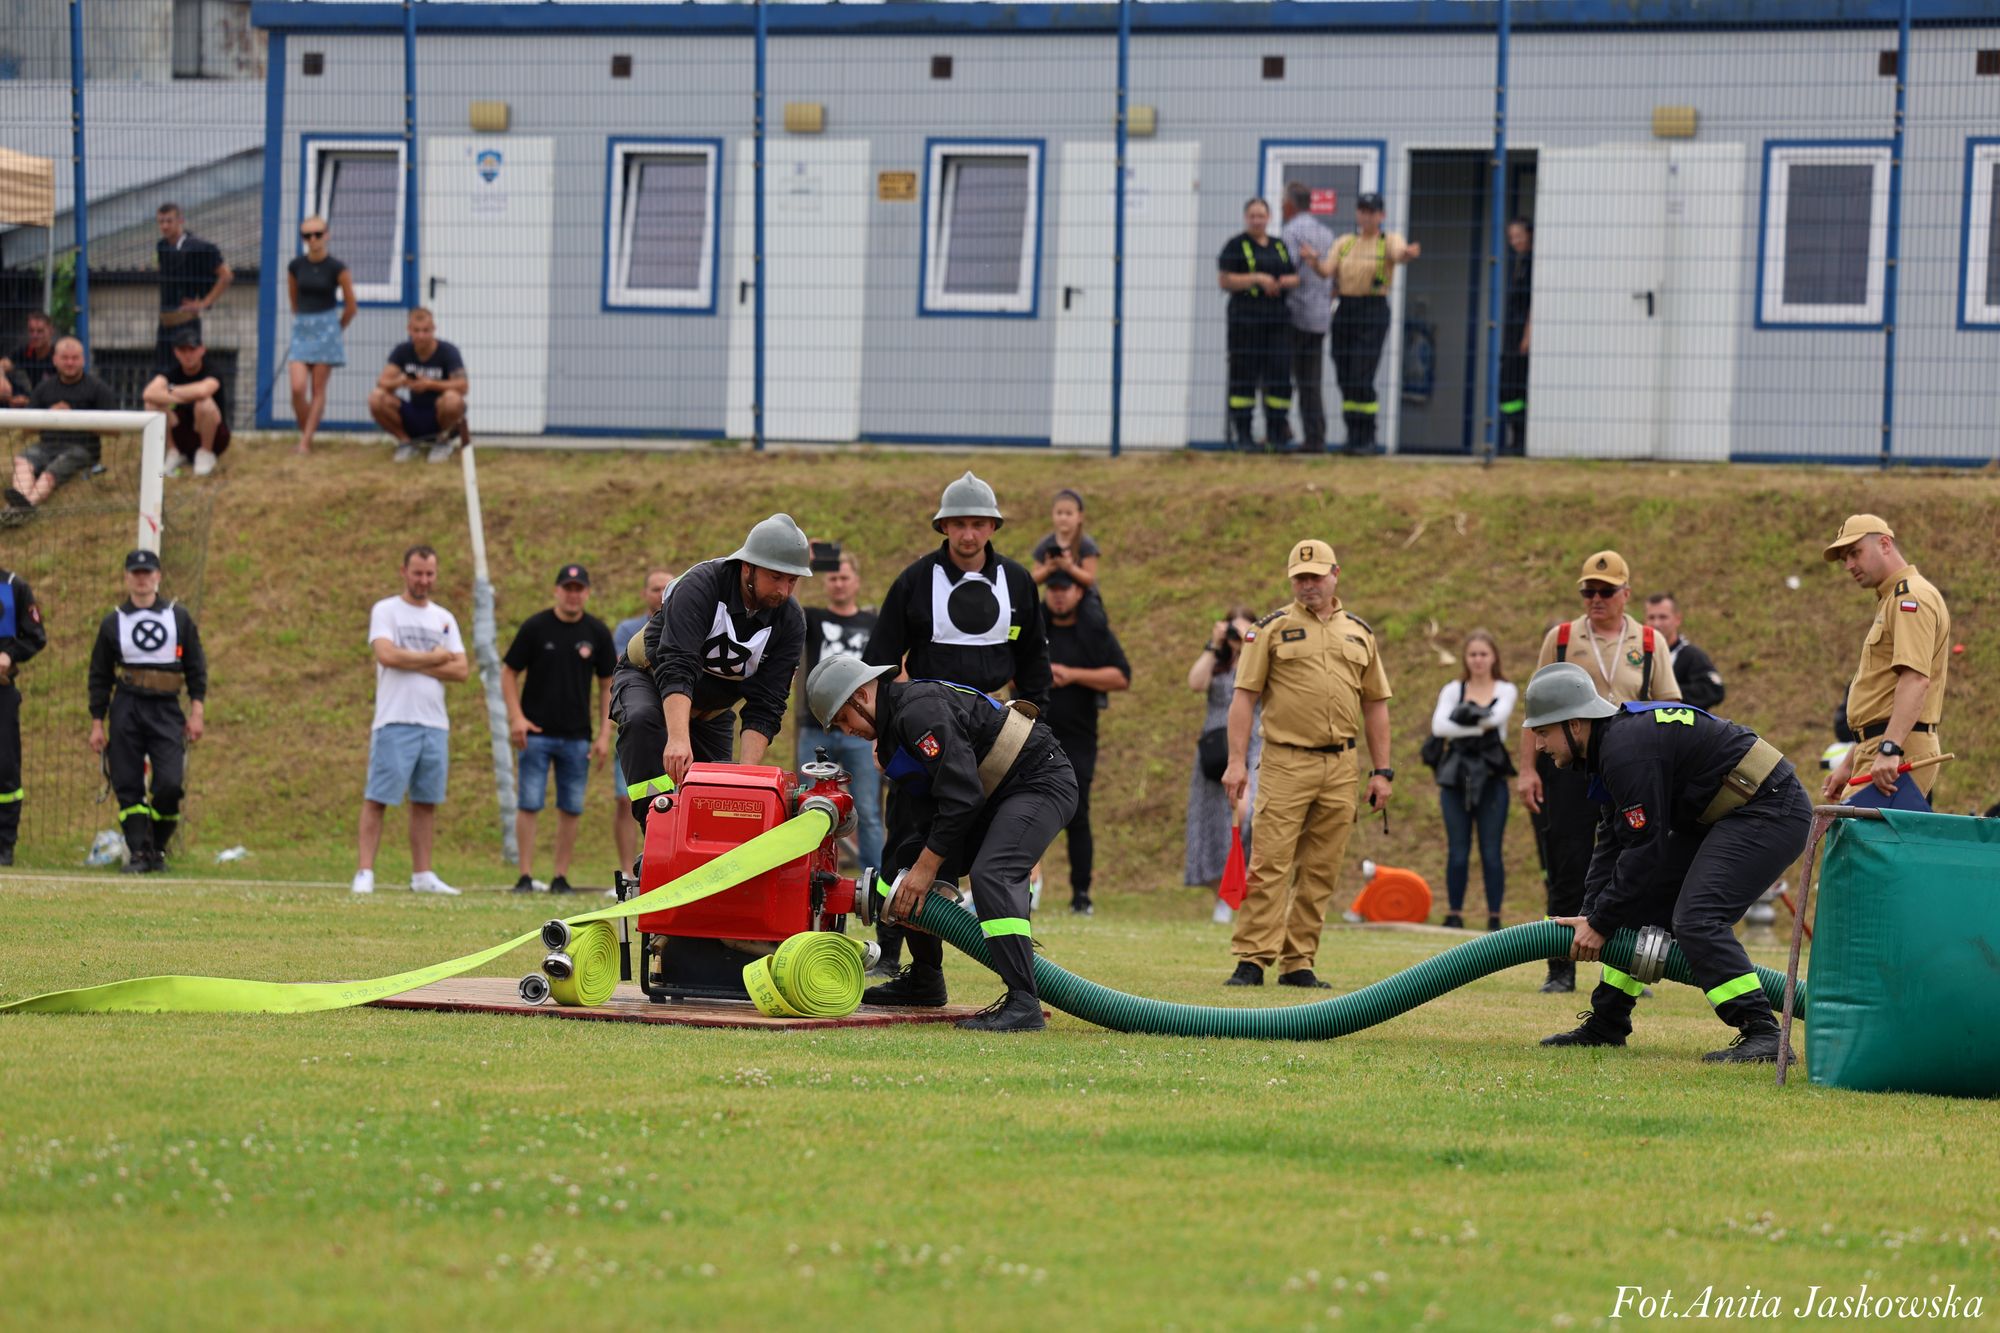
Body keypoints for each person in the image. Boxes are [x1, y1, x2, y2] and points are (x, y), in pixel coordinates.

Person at [1524, 663, 1811, 1063]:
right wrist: (1592, 915)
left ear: (1574, 724)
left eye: (1543, 732)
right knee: (1635, 907)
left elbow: (1644, 849)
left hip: (1769, 808)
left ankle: (1763, 1033)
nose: (1538, 745)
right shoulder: (1609, 748)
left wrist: (1600, 923)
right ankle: (1607, 1024)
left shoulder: (1624, 752)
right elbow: (1612, 841)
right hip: (1724, 812)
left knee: (1696, 918)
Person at [806, 657, 1077, 1032]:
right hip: (994, 794)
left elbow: (962, 797)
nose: (846, 731)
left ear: (862, 695)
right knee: (904, 863)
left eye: (843, 719)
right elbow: (930, 812)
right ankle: (925, 980)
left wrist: (928, 869)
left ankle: (1023, 1003)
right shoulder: (893, 736)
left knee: (993, 873)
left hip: (1038, 779)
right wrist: (921, 872)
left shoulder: (919, 713)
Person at [862, 470, 1051, 993]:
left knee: (1000, 854)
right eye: (959, 524)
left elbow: (1035, 666)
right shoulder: (915, 581)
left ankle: (1019, 979)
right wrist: (883, 737)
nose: (968, 534)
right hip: (922, 731)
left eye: (978, 524)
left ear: (993, 527)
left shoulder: (1018, 582)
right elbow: (879, 662)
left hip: (995, 735)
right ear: (943, 526)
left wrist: (1036, 728)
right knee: (905, 844)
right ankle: (903, 961)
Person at [1221, 538, 1394, 989]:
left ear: (1335, 575)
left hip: (1341, 766)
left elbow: (1375, 704)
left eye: (1315, 576)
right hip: (1286, 761)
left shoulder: (1359, 632)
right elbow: (1244, 698)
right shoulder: (1269, 630)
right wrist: (1236, 763)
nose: (1307, 584)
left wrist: (1382, 771)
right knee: (1270, 863)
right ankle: (1252, 959)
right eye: (1299, 578)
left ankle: (1298, 962)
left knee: (1321, 868)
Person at [1516, 551, 1679, 993]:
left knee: (1636, 857)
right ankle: (1559, 968)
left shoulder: (1650, 642)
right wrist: (1527, 770)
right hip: (1569, 767)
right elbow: (1536, 711)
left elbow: (1670, 706)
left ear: (1626, 593)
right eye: (1588, 591)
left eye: (1605, 591)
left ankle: (1626, 967)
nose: (1596, 598)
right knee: (1566, 863)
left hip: (1630, 763)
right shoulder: (1561, 638)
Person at [610, 515, 808, 830]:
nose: (783, 591)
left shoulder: (791, 622)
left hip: (711, 712)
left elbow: (767, 703)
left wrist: (746, 780)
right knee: (643, 720)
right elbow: (678, 664)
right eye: (775, 577)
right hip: (649, 680)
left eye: (792, 581)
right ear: (748, 567)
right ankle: (657, 828)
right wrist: (678, 739)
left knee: (719, 797)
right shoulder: (701, 586)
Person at [353, 545, 469, 896]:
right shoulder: (386, 610)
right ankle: (364, 872)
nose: (424, 580)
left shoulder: (444, 617)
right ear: (404, 571)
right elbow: (386, 655)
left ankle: (422, 874)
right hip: (395, 720)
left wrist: (415, 661)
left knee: (425, 801)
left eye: (429, 574)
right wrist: (434, 658)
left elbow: (461, 670)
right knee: (378, 797)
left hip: (434, 724)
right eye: (418, 573)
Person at [86, 549, 207, 874]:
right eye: (136, 573)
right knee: (128, 783)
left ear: (158, 577)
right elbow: (99, 676)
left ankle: (158, 847)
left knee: (169, 783)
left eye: (148, 573)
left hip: (166, 708)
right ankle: (139, 851)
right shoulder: (113, 622)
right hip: (127, 707)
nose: (142, 579)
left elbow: (196, 667)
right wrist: (97, 722)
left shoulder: (178, 617)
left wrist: (197, 711)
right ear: (127, 578)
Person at [1819, 515, 1950, 804]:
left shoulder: (1910, 598)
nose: (1849, 565)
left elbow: (1915, 679)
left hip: (1895, 751)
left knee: (1854, 833)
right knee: (1849, 831)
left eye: (1855, 553)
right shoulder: (1893, 598)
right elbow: (1882, 701)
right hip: (1879, 749)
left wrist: (1890, 749)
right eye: (1845, 559)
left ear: (1885, 544)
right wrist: (1850, 763)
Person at [503, 563, 616, 895]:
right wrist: (516, 718)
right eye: (567, 588)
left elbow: (608, 684)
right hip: (535, 734)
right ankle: (525, 876)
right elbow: (509, 672)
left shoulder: (596, 632)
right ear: (556, 590)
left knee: (571, 806)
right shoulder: (535, 627)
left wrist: (604, 733)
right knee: (529, 802)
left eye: (579, 589)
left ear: (587, 593)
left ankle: (560, 876)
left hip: (577, 736)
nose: (573, 594)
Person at [1042, 569, 1131, 916]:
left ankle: (1081, 893)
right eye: (1052, 588)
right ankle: (1021, 886)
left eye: (1064, 588)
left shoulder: (1093, 632)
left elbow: (1121, 676)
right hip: (1034, 732)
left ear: (1079, 592)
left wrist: (1073, 675)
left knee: (1077, 813)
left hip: (1079, 737)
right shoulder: (1036, 626)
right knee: (1021, 809)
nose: (1058, 594)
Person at [1303, 192, 1420, 455]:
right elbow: (1327, 271)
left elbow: (1399, 254)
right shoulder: (1345, 242)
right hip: (1346, 309)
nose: (1366, 217)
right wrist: (1313, 262)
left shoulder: (1387, 241)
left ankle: (1368, 436)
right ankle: (1352, 435)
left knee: (1361, 374)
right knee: (1344, 374)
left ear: (1381, 215)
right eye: (1362, 211)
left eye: (1372, 212)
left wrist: (1407, 254)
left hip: (1372, 309)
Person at [794, 548, 884, 883]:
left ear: (856, 581)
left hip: (861, 731)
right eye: (833, 578)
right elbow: (788, 610)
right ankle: (805, 876)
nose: (839, 584)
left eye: (845, 577)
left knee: (869, 811)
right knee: (806, 804)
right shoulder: (814, 619)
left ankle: (874, 882)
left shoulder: (872, 623)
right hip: (817, 727)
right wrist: (804, 563)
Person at [1429, 630, 1518, 931]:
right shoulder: (1453, 689)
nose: (1478, 660)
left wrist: (1463, 721)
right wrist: (1479, 727)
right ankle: (1454, 912)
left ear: (1493, 658)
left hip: (1491, 777)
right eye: (1473, 654)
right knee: (1458, 851)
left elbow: (1497, 719)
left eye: (1483, 654)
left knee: (1491, 852)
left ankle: (1494, 917)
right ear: (1466, 659)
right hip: (1456, 777)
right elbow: (1440, 727)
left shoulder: (1505, 689)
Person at [1185, 605, 1262, 919]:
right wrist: (1214, 645)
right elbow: (1195, 683)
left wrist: (1249, 644)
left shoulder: (1258, 658)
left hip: (1252, 745)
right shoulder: (1217, 660)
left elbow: (1257, 686)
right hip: (1215, 748)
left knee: (1247, 812)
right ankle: (1222, 895)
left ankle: (1245, 885)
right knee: (1214, 822)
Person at [1216, 198, 1299, 450]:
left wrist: (1285, 282)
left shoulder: (1279, 246)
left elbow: (1294, 276)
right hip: (1245, 320)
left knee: (1279, 376)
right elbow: (1225, 280)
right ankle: (1244, 435)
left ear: (1269, 218)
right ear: (1246, 218)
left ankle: (1276, 434)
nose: (1256, 220)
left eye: (1261, 216)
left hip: (1277, 321)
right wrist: (1257, 279)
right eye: (1252, 216)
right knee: (1244, 376)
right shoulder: (1235, 245)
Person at [608, 567, 674, 879]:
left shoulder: (688, 623)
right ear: (644, 593)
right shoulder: (628, 630)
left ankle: (667, 861)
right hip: (638, 722)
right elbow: (624, 668)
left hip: (674, 722)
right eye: (654, 588)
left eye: (666, 588)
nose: (660, 594)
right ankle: (628, 869)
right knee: (627, 796)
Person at [6, 337, 115, 520]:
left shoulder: (98, 388)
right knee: (22, 461)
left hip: (82, 449)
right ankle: (19, 506)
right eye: (65, 358)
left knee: (52, 471)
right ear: (55, 360)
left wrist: (75, 419)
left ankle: (24, 508)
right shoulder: (43, 389)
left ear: (83, 360)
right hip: (46, 447)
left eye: (75, 358)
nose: (70, 363)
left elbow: (115, 430)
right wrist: (50, 416)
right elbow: (26, 430)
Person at [285, 215, 357, 456]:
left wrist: (336, 328)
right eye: (307, 235)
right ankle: (307, 430)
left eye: (317, 234)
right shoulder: (295, 266)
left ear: (327, 235)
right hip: (303, 327)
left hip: (327, 327)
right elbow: (293, 299)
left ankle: (305, 442)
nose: (313, 239)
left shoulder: (337, 268)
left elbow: (351, 306)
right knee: (297, 388)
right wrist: (303, 321)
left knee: (318, 389)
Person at [368, 309, 467, 465]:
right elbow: (382, 382)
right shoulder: (402, 351)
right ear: (409, 330)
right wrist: (401, 382)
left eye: (426, 331)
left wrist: (430, 384)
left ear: (433, 329)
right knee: (376, 397)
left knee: (453, 399)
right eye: (417, 331)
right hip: (413, 412)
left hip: (439, 413)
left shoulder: (448, 351)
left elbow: (463, 386)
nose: (421, 336)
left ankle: (442, 442)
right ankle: (405, 442)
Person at [1280, 182, 1336, 453]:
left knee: (1280, 374)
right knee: (1310, 381)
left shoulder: (1291, 231)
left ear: (1289, 205)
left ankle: (1280, 428)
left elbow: (1288, 268)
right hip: (1319, 316)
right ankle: (1316, 437)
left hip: (1296, 313)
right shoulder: (1326, 233)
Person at [0, 564, 48, 866]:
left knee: (5, 768)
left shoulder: (14, 586)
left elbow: (36, 636)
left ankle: (4, 844)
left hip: (2, 691)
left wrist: (10, 654)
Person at [141, 330, 230, 478]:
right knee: (152, 405)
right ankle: (173, 452)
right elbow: (148, 393)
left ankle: (206, 453)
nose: (188, 355)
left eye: (192, 349)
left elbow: (203, 391)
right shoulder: (172, 373)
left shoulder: (212, 370)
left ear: (202, 350)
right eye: (183, 350)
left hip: (215, 438)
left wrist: (171, 391)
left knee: (204, 403)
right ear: (176, 352)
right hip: (182, 433)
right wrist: (185, 397)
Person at [154, 202, 231, 372]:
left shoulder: (199, 247)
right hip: (164, 324)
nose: (165, 226)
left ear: (180, 220)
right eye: (161, 221)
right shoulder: (162, 246)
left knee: (186, 371)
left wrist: (204, 302)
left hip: (186, 323)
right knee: (162, 373)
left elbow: (226, 275)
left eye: (169, 221)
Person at [1643, 593, 1725, 711]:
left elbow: (1714, 689)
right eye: (1651, 617)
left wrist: (1667, 695)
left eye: (1663, 617)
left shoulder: (1692, 656)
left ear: (1678, 619)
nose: (1656, 624)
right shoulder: (1638, 655)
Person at [1498, 218, 1533, 456]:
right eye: (1511, 237)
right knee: (1508, 387)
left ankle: (1520, 440)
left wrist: (1527, 336)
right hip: (1512, 332)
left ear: (1530, 234)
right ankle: (1515, 436)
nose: (1514, 241)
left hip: (1522, 334)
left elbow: (1533, 304)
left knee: (1515, 386)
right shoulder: (1520, 263)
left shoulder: (1532, 264)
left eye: (1518, 236)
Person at [1028, 488, 1101, 598]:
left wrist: (1070, 567)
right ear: (1052, 514)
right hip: (1054, 599)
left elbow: (1090, 580)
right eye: (1059, 513)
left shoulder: (1086, 545)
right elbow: (1033, 579)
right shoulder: (1045, 544)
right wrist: (1048, 569)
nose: (1063, 518)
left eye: (1068, 513)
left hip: (1084, 598)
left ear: (1080, 517)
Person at [2, 311, 57, 405]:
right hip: (28, 397)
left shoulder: (57, 354)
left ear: (51, 331)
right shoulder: (26, 351)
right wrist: (1, 379)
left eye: (40, 331)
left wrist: (29, 401)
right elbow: (3, 364)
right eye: (31, 331)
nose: (35, 335)